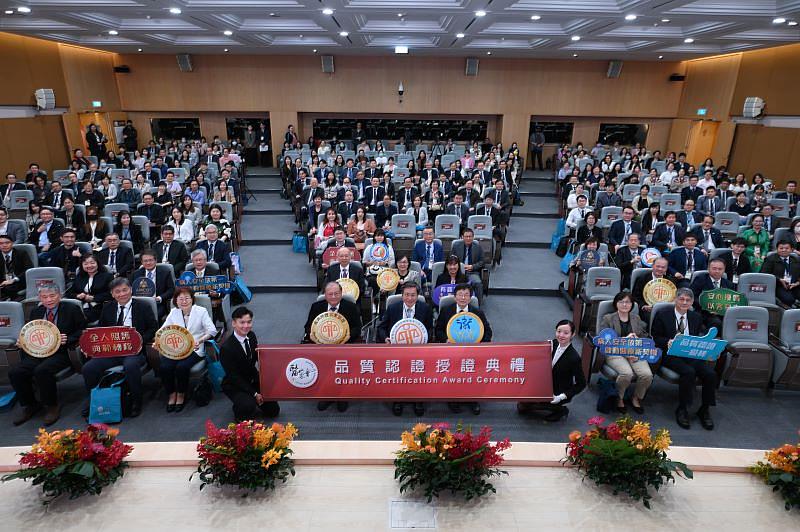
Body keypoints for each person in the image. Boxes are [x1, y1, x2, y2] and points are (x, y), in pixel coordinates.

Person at [80, 278, 157, 418]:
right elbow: (101, 330)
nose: (122, 294)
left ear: (131, 290)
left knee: (130, 366)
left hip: (134, 351)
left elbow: (153, 328)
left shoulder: (143, 306)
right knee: (88, 368)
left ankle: (136, 401)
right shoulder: (108, 307)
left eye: (124, 290)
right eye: (117, 291)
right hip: (112, 351)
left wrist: (139, 340)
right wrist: (91, 346)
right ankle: (94, 400)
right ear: (112, 294)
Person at [10, 285, 87, 426]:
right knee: (16, 372)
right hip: (38, 352)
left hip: (61, 352)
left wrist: (68, 338)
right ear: (40, 298)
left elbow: (83, 331)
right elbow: (31, 332)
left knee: (42, 370)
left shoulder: (72, 309)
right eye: (44, 297)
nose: (49, 300)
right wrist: (22, 341)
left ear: (59, 295)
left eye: (52, 296)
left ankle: (51, 406)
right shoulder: (36, 311)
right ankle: (30, 405)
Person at [651, 288, 716, 430]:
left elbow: (699, 336)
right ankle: (682, 408)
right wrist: (667, 341)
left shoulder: (696, 317)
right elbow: (655, 337)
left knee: (710, 374)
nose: (684, 302)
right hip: (670, 353)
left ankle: (704, 409)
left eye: (688, 300)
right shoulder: (663, 315)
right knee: (688, 372)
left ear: (692, 302)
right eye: (681, 299)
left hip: (689, 353)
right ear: (675, 299)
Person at [433, 283, 492, 415]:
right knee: (453, 374)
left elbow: (488, 332)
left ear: (470, 298)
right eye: (460, 295)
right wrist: (445, 340)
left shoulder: (477, 313)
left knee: (472, 374)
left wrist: (480, 345)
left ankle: (473, 399)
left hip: (472, 352)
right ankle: (453, 398)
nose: (463, 298)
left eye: (466, 295)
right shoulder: (446, 310)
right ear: (455, 297)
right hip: (451, 351)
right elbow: (438, 330)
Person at [304, 282, 362, 412]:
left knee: (342, 369)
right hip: (322, 347)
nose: (334, 297)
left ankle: (342, 396)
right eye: (330, 294)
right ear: (325, 295)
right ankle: (327, 395)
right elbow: (308, 327)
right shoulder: (316, 307)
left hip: (344, 346)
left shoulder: (351, 307)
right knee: (324, 368)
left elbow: (357, 328)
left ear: (341, 293)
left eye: (337, 293)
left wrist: (346, 337)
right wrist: (313, 336)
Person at [375, 282, 432, 416]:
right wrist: (386, 338)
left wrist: (426, 340)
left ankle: (418, 400)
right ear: (402, 295)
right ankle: (398, 399)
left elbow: (430, 328)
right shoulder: (393, 308)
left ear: (417, 296)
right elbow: (381, 327)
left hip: (418, 350)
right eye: (407, 295)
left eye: (413, 295)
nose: (410, 298)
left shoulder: (425, 308)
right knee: (398, 374)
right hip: (396, 349)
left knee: (418, 374)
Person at [158, 287, 217, 412]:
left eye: (187, 298)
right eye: (180, 299)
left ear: (192, 299)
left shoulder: (201, 311)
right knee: (165, 366)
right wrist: (158, 341)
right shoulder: (174, 312)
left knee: (182, 367)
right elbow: (163, 330)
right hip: (176, 349)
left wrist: (200, 340)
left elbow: (212, 330)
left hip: (195, 348)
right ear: (176, 301)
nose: (184, 301)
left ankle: (181, 394)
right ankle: (171, 394)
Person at [517, 319, 586, 421]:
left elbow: (582, 384)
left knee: (535, 405)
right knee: (521, 407)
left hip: (558, 391)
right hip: (544, 384)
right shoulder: (552, 344)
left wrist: (562, 396)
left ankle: (561, 410)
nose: (561, 335)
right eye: (559, 331)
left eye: (566, 333)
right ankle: (540, 402)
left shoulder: (574, 357)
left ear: (572, 334)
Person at [220, 306, 280, 422]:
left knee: (273, 410)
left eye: (249, 322)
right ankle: (240, 407)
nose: (246, 326)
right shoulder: (226, 348)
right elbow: (233, 376)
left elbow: (257, 358)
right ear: (233, 323)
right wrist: (255, 393)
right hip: (235, 384)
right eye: (242, 322)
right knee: (247, 406)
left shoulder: (251, 335)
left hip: (252, 378)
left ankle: (252, 399)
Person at [598, 292, 652, 413]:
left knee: (647, 375)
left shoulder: (636, 318)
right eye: (621, 302)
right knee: (627, 374)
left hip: (634, 351)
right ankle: (619, 398)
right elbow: (603, 339)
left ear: (632, 304)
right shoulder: (608, 318)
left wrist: (639, 339)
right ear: (616, 304)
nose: (624, 304)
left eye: (627, 302)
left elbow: (644, 335)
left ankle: (636, 397)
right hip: (614, 351)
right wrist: (623, 339)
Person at [690, 258, 734, 331]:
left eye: (720, 269)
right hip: (703, 312)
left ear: (724, 270)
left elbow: (732, 301)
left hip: (723, 313)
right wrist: (708, 306)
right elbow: (692, 297)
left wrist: (722, 309)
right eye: (714, 268)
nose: (717, 271)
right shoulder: (700, 280)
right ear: (708, 269)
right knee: (716, 322)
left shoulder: (729, 284)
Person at [131, 249, 174, 318]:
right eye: (145, 261)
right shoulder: (136, 274)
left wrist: (160, 298)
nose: (148, 263)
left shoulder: (165, 272)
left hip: (157, 303)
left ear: (155, 261)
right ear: (142, 262)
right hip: (140, 303)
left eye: (150, 260)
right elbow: (132, 289)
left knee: (152, 315)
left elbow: (171, 290)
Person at [632, 256, 675, 323]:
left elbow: (674, 296)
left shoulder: (670, 281)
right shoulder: (642, 279)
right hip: (647, 309)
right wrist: (643, 306)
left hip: (665, 309)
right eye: (658, 266)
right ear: (652, 266)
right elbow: (635, 297)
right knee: (654, 319)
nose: (660, 269)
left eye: (663, 267)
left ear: (666, 268)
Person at [761, 240, 800, 307]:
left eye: (787, 248)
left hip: (794, 285)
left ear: (791, 250)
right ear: (777, 249)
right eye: (781, 248)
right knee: (789, 299)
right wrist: (779, 279)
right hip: (778, 285)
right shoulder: (770, 259)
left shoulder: (796, 260)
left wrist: (797, 283)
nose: (784, 250)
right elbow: (764, 274)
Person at [450, 228, 485, 302]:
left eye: (470, 236)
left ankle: (477, 304)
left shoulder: (478, 247)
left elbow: (482, 262)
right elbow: (451, 260)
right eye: (466, 236)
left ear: (473, 237)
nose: (468, 238)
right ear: (462, 237)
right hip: (458, 272)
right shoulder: (456, 246)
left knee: (478, 283)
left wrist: (472, 267)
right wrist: (460, 266)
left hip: (472, 272)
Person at [0, 234, 31, 300]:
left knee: (8, 288)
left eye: (7, 243)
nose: (4, 245)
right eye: (1, 243)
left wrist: (14, 280)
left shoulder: (21, 253)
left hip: (19, 281)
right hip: (3, 282)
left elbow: (28, 269)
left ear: (12, 243)